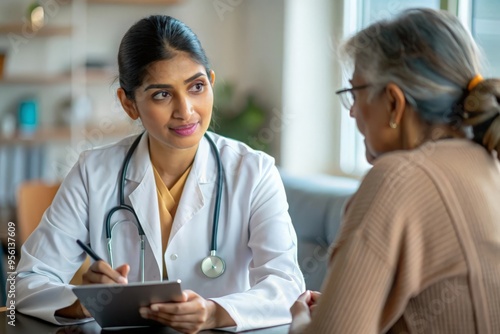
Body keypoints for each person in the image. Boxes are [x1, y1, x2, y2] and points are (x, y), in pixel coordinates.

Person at [15, 15, 305, 333]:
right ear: (129, 104)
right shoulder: (92, 172)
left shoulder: (255, 171)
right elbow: (27, 283)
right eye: (162, 95)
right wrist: (82, 301)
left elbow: (287, 285)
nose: (186, 110)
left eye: (197, 86)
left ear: (211, 80)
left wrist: (214, 312)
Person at [289, 8, 500, 334]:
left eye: (355, 95)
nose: (353, 113)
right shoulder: (487, 161)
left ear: (393, 103)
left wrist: (302, 321)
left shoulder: (398, 177)